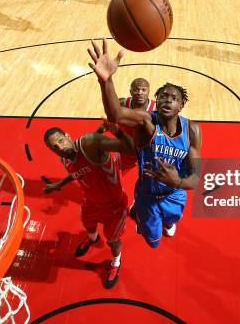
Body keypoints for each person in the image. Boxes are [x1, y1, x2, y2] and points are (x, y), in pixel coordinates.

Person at [87, 39, 202, 249]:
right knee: (153, 243)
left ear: (181, 105)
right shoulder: (146, 121)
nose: (167, 100)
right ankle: (142, 215)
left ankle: (168, 221)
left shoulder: (192, 129)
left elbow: (195, 178)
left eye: (173, 97)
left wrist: (177, 181)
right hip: (148, 195)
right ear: (156, 103)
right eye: (163, 97)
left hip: (175, 194)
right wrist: (106, 81)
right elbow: (116, 113)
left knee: (171, 222)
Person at [43, 122, 133, 288]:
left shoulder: (88, 146)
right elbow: (75, 174)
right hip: (91, 201)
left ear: (68, 136)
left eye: (61, 141)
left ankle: (115, 262)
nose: (59, 147)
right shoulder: (65, 159)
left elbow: (124, 146)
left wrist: (114, 130)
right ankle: (93, 239)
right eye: (54, 147)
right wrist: (58, 185)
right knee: (88, 224)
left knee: (113, 240)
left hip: (114, 206)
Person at [96, 78, 156, 172]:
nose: (140, 92)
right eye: (136, 89)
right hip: (127, 145)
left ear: (149, 91)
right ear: (131, 92)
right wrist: (95, 134)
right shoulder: (122, 103)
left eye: (143, 90)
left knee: (149, 175)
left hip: (147, 148)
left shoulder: (156, 109)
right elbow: (108, 122)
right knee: (119, 169)